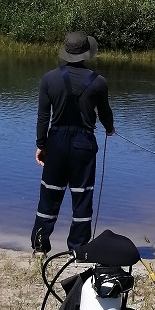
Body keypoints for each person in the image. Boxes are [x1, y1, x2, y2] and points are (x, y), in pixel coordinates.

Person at [31, 31, 115, 254]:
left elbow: (43, 117)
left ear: (66, 53)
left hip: (56, 143)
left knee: (50, 195)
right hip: (84, 145)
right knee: (82, 197)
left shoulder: (49, 79)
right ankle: (78, 249)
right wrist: (109, 128)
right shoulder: (99, 82)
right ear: (86, 55)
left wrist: (41, 145)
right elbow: (105, 113)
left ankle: (40, 247)